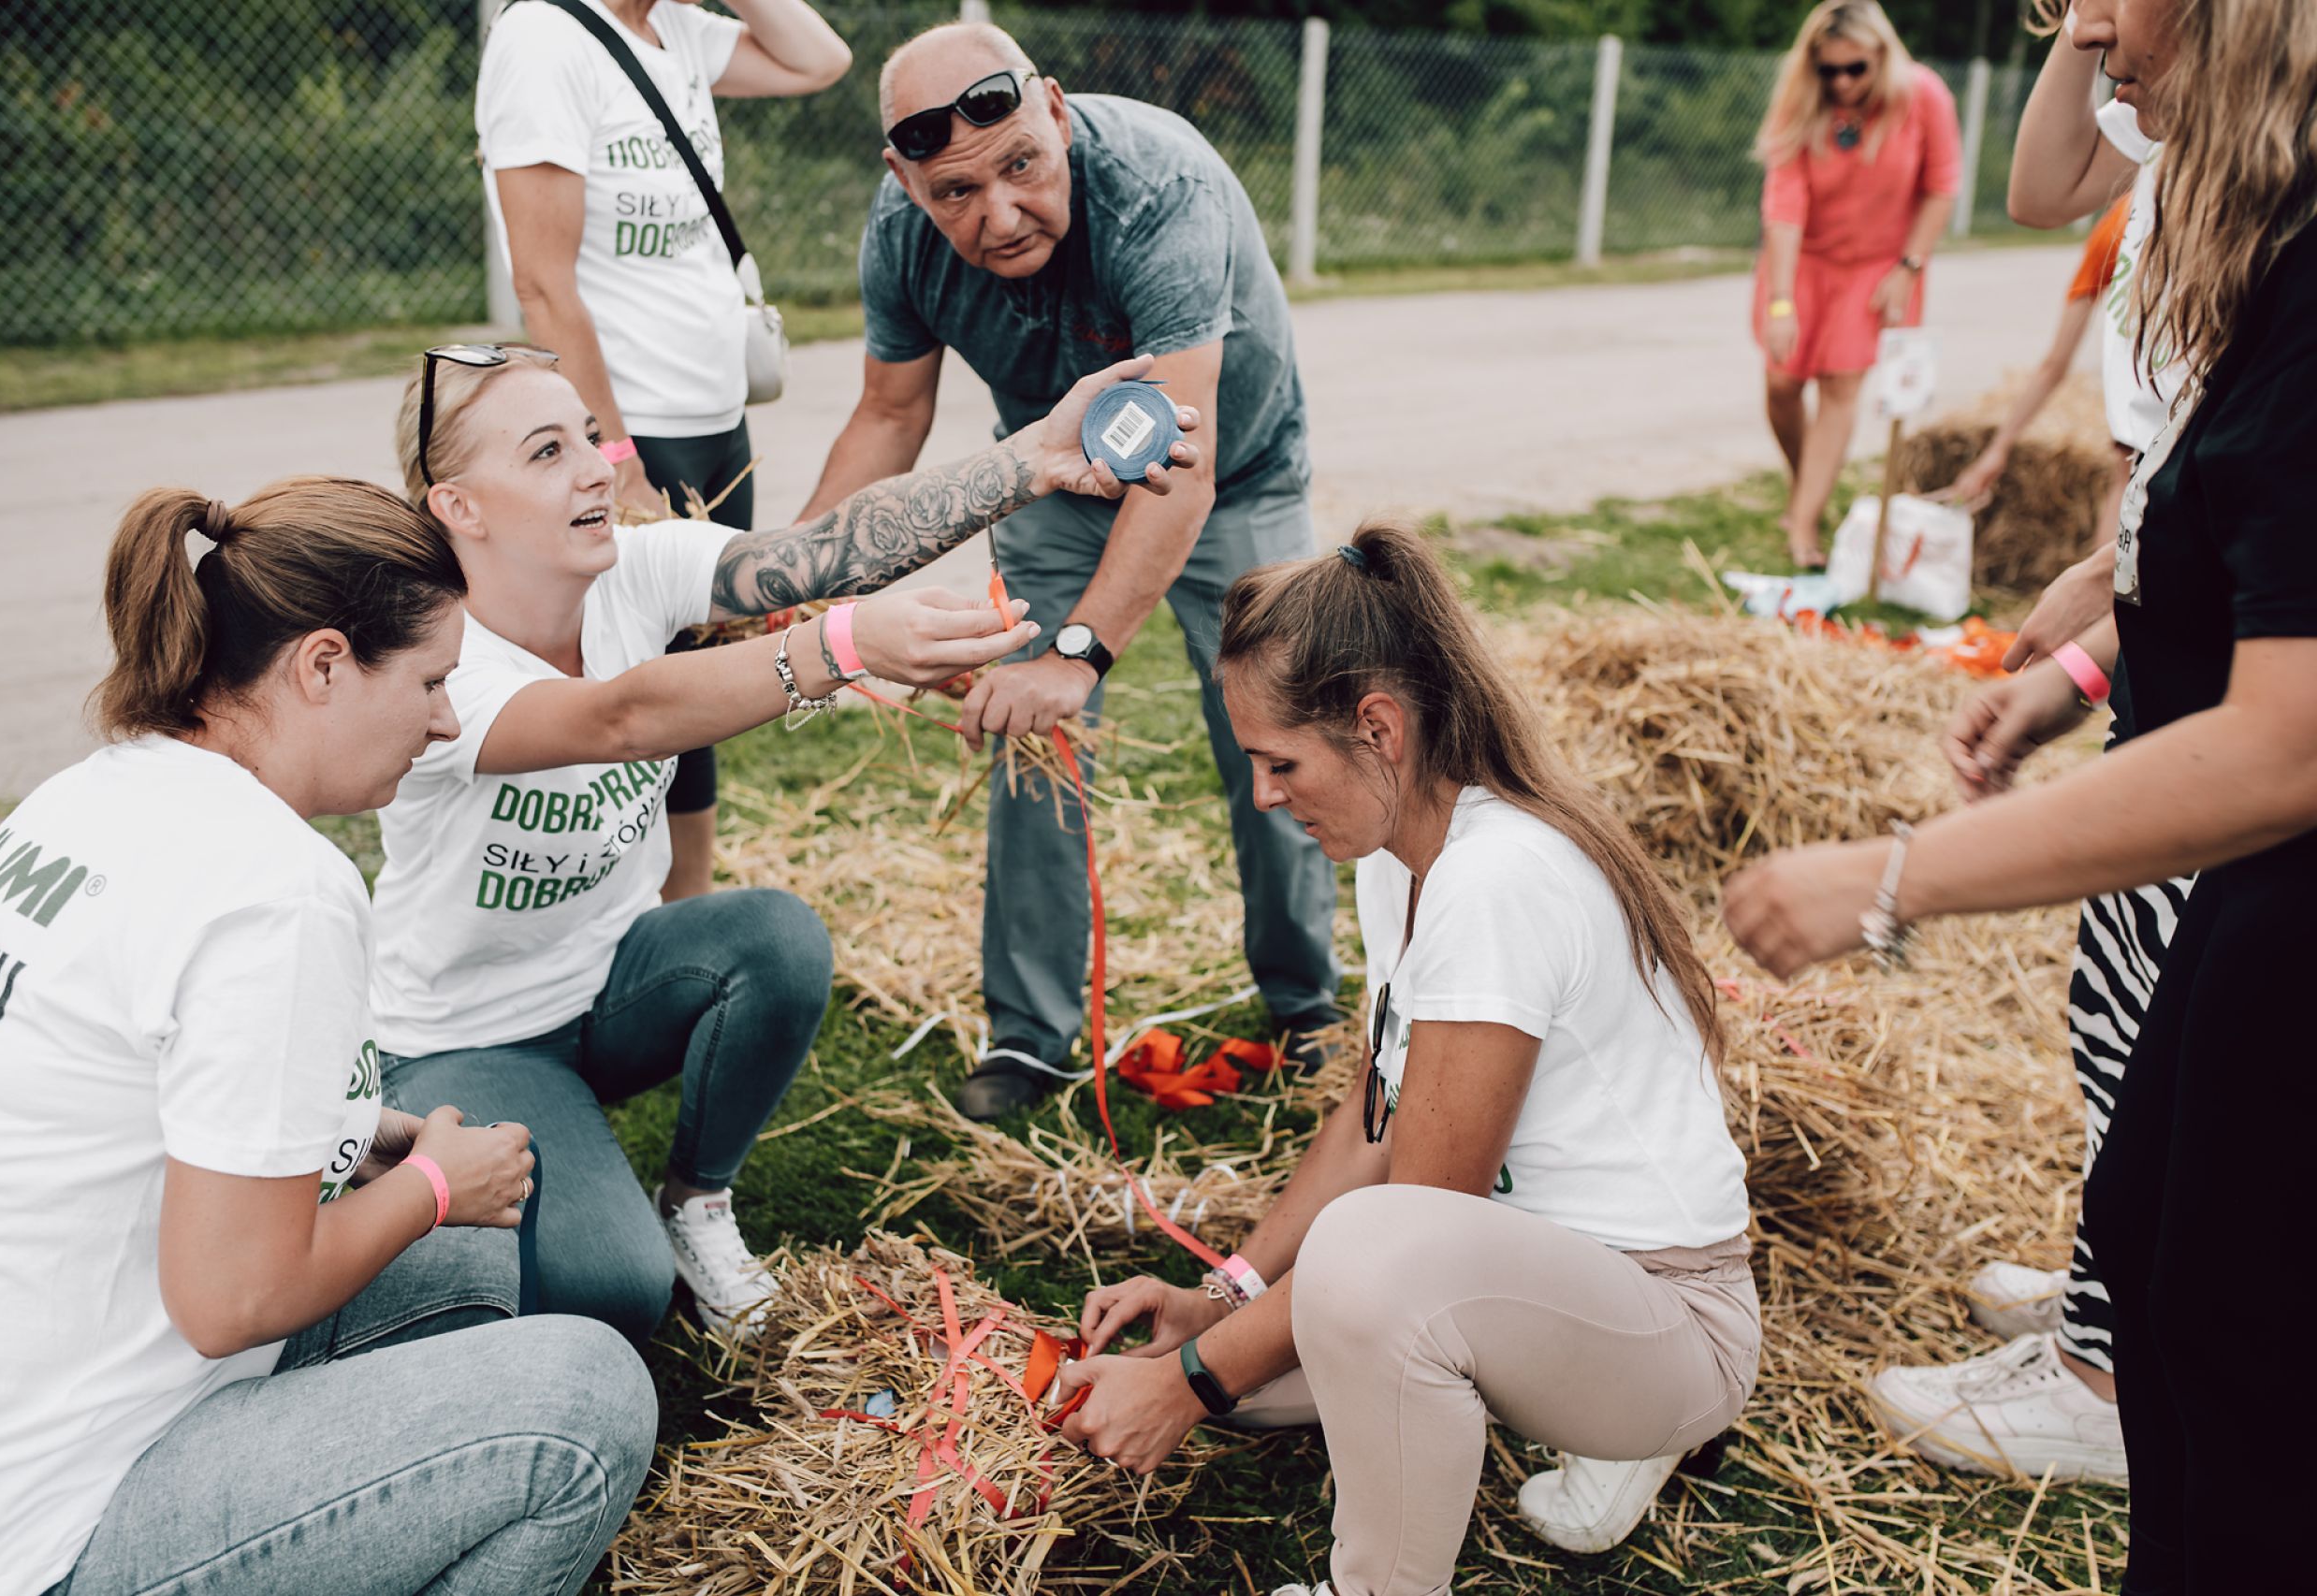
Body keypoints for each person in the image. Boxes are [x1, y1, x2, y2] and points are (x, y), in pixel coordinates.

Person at [1725, 0, 2317, 1583]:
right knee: (2156, 1234)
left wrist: (1898, 875)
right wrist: (2079, 676)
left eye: (2113, 1)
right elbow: (2241, 590)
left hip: (2284, 903)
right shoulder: (2257, 265)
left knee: (2243, 1379)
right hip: (2252, 915)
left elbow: (2283, 736)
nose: (2085, 27)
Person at [374, 343, 1201, 1344]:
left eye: (590, 436)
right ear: (459, 508)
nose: (599, 467)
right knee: (618, 1292)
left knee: (774, 937)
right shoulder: (432, 661)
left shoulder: (631, 568)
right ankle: (457, 1161)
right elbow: (619, 719)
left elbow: (824, 554)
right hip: (472, 1034)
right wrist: (843, 647)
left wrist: (1031, 456)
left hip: (608, 987)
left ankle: (696, 1202)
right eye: (549, 452)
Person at [0, 478, 656, 1596]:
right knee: (582, 1398)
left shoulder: (89, 797)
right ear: (321, 665)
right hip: (48, 1523)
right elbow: (232, 1301)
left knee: (458, 1265)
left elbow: (100, 1100)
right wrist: (436, 1187)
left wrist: (351, 1133)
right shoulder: (275, 887)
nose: (447, 720)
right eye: (430, 680)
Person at [1054, 523, 1758, 1591]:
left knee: (1345, 1289)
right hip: (1541, 1278)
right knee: (1271, 1357)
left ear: (1376, 726)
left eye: (1278, 761)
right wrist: (1225, 1297)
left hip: (1670, 1322)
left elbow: (1412, 1226)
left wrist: (1189, 1383)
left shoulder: (1494, 878)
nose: (1264, 796)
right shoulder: (1403, 849)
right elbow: (1374, 1112)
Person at [798, 21, 1342, 1120]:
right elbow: (888, 414)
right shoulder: (900, 235)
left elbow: (1177, 466)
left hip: (1230, 476)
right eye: (953, 191)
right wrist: (793, 576)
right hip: (1056, 477)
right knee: (1026, 731)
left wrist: (1082, 652)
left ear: (1052, 109)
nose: (997, 215)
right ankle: (1032, 1038)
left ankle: (1306, 1003)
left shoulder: (1158, 183)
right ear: (901, 176)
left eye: (1021, 169)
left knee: (1278, 727)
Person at [1858, 2, 2197, 1487]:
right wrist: (2090, 627)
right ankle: (2113, 1302)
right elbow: (2045, 179)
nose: (2087, 24)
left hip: (2205, 616)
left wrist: (1902, 875)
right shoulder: (2182, 132)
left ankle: (2112, 1375)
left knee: (2166, 1014)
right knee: (2117, 999)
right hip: (2162, 593)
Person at [478, 0, 852, 905]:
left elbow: (820, 60)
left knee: (704, 677)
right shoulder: (544, 38)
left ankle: (685, 906)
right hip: (636, 427)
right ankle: (630, 915)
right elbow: (542, 281)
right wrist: (608, 451)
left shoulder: (677, 29)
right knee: (646, 685)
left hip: (719, 419)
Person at [1754, 0, 1962, 568]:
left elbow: (1942, 185)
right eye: (1829, 70)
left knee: (1841, 390)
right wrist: (1780, 300)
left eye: (1856, 69)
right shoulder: (1802, 101)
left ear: (1881, 55)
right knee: (1781, 385)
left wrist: (1909, 267)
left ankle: (1802, 528)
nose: (1842, 82)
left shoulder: (1923, 96)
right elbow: (1785, 203)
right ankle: (1808, 486)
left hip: (1878, 268)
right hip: (1804, 262)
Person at [1943, 194, 2132, 550]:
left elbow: (2054, 365)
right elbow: (2053, 366)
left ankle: (2109, 598)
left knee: (2127, 479)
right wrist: (1998, 448)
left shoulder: (2129, 214)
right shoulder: (2125, 219)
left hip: (2149, 408)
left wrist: (1998, 448)